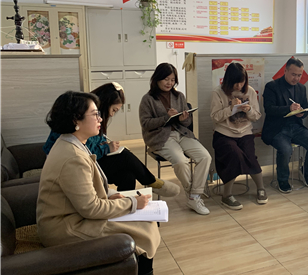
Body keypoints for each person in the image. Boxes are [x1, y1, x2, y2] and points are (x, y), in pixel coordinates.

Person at [37, 91, 180, 275]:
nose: (101, 118)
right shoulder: (72, 156)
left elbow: (87, 190)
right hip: (65, 227)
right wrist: (132, 203)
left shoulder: (73, 143)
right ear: (76, 120)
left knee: (144, 217)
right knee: (143, 223)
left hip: (72, 216)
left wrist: (113, 195)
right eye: (95, 114)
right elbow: (91, 208)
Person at [43, 82, 179, 197]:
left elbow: (90, 145)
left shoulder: (85, 125)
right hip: (82, 166)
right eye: (113, 110)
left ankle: (126, 207)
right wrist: (106, 148)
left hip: (87, 162)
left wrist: (105, 145)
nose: (102, 118)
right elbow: (86, 152)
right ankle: (150, 181)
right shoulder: (71, 138)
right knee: (124, 156)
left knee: (128, 175)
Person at [140, 63, 212, 215]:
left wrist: (183, 118)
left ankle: (194, 195)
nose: (169, 83)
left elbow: (187, 123)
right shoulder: (148, 99)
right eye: (166, 79)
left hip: (182, 133)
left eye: (172, 80)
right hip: (160, 137)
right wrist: (166, 117)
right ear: (157, 79)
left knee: (205, 157)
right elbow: (146, 124)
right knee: (181, 161)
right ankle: (193, 196)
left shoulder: (179, 96)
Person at [210, 62, 267, 209]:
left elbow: (256, 116)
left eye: (242, 82)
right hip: (224, 134)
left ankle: (261, 188)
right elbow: (215, 117)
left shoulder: (250, 92)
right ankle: (226, 195)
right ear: (228, 80)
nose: (239, 86)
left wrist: (248, 110)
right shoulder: (218, 92)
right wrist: (231, 108)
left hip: (245, 133)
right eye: (236, 82)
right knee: (235, 156)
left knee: (250, 156)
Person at [262, 57, 308, 193]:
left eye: (299, 75)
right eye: (293, 74)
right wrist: (288, 109)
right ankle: (282, 179)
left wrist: (302, 113)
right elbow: (269, 109)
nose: (296, 78)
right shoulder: (272, 86)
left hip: (296, 126)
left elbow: (306, 107)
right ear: (285, 71)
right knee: (286, 149)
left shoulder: (301, 88)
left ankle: (306, 172)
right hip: (277, 128)